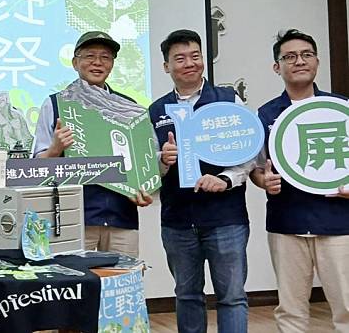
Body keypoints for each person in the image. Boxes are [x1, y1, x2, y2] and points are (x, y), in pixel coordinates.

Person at [149, 29, 252, 333]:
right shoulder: (156, 110)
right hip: (177, 221)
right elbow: (147, 168)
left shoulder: (227, 98)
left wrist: (226, 179)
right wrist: (162, 161)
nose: (189, 63)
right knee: (187, 295)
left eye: (195, 56)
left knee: (232, 297)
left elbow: (250, 150)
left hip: (226, 218)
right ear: (167, 66)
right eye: (179, 58)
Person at [249, 29, 349, 333]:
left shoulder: (340, 108)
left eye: (306, 54)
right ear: (277, 67)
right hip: (287, 222)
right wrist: (262, 181)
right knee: (290, 310)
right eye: (289, 56)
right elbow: (255, 167)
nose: (299, 61)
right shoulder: (265, 114)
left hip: (338, 223)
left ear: (317, 61)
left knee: (346, 306)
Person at [33, 31, 153, 258]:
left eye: (105, 57)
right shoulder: (56, 104)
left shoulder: (129, 107)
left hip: (121, 216)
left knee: (123, 284)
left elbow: (141, 164)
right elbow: (37, 168)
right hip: (73, 218)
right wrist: (56, 148)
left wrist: (145, 189)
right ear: (75, 62)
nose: (97, 62)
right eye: (89, 56)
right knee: (74, 287)